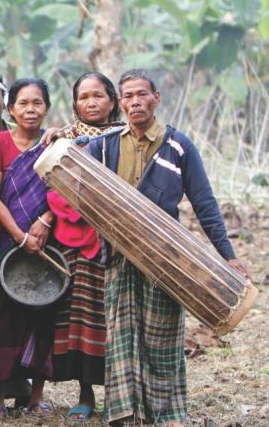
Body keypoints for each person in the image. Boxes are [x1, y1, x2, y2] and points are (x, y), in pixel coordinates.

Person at [85, 69, 249, 427]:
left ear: (156, 98)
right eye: (127, 96)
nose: (134, 102)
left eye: (141, 94)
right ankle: (125, 413)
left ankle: (166, 415)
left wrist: (228, 256)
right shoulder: (104, 146)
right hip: (119, 256)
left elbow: (204, 203)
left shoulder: (178, 145)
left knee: (162, 335)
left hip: (167, 258)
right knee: (122, 337)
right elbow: (75, 173)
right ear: (119, 103)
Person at [47, 72, 123, 423]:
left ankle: (119, 393)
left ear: (112, 100)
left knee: (114, 318)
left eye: (98, 95)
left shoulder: (126, 137)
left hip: (117, 239)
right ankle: (85, 391)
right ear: (75, 103)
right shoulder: (63, 141)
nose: (90, 102)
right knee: (80, 316)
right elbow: (54, 188)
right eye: (83, 97)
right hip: (74, 238)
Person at [0, 78, 56, 420]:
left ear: (46, 108)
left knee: (43, 312)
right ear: (10, 109)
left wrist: (45, 220)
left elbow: (64, 190)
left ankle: (36, 397)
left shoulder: (55, 144)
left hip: (46, 242)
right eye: (23, 103)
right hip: (5, 242)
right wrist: (19, 235)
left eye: (37, 103)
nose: (31, 109)